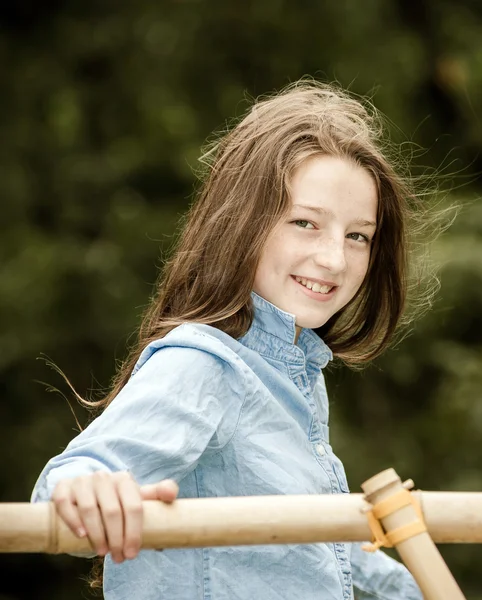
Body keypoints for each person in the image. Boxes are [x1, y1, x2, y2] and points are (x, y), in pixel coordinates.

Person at [32, 81, 429, 600]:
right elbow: (69, 484)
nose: (335, 258)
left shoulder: (296, 377)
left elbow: (311, 537)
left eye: (358, 235)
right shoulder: (205, 362)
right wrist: (88, 490)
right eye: (306, 223)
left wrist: (410, 587)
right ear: (243, 223)